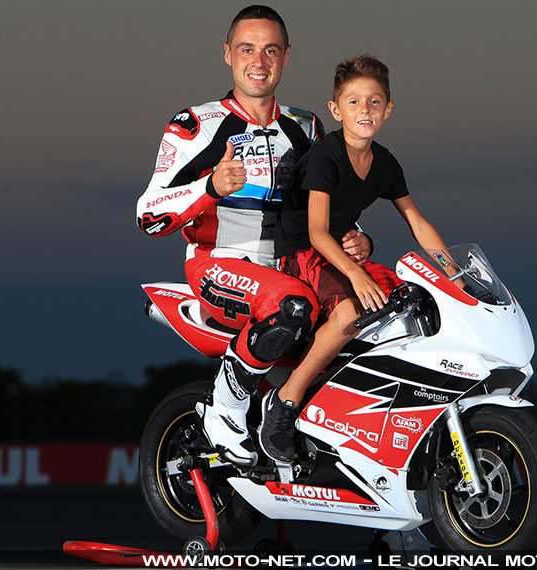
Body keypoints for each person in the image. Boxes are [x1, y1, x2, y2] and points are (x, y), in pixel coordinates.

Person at [136, 6, 372, 466]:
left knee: (378, 308)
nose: (258, 61)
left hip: (293, 261)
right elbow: (147, 215)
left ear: (286, 57)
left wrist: (357, 237)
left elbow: (326, 205)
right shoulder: (194, 124)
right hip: (220, 261)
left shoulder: (306, 127)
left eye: (270, 50)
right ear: (228, 55)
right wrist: (210, 186)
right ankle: (226, 406)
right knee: (293, 309)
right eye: (247, 49)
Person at [265, 54, 452, 463]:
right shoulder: (326, 156)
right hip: (302, 252)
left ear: (388, 108)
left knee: (414, 303)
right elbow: (316, 232)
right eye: (353, 102)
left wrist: (453, 274)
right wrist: (356, 272)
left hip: (341, 253)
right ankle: (286, 401)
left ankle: (364, 408)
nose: (364, 110)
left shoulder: (384, 163)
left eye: (373, 101)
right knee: (351, 312)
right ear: (336, 109)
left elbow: (416, 220)